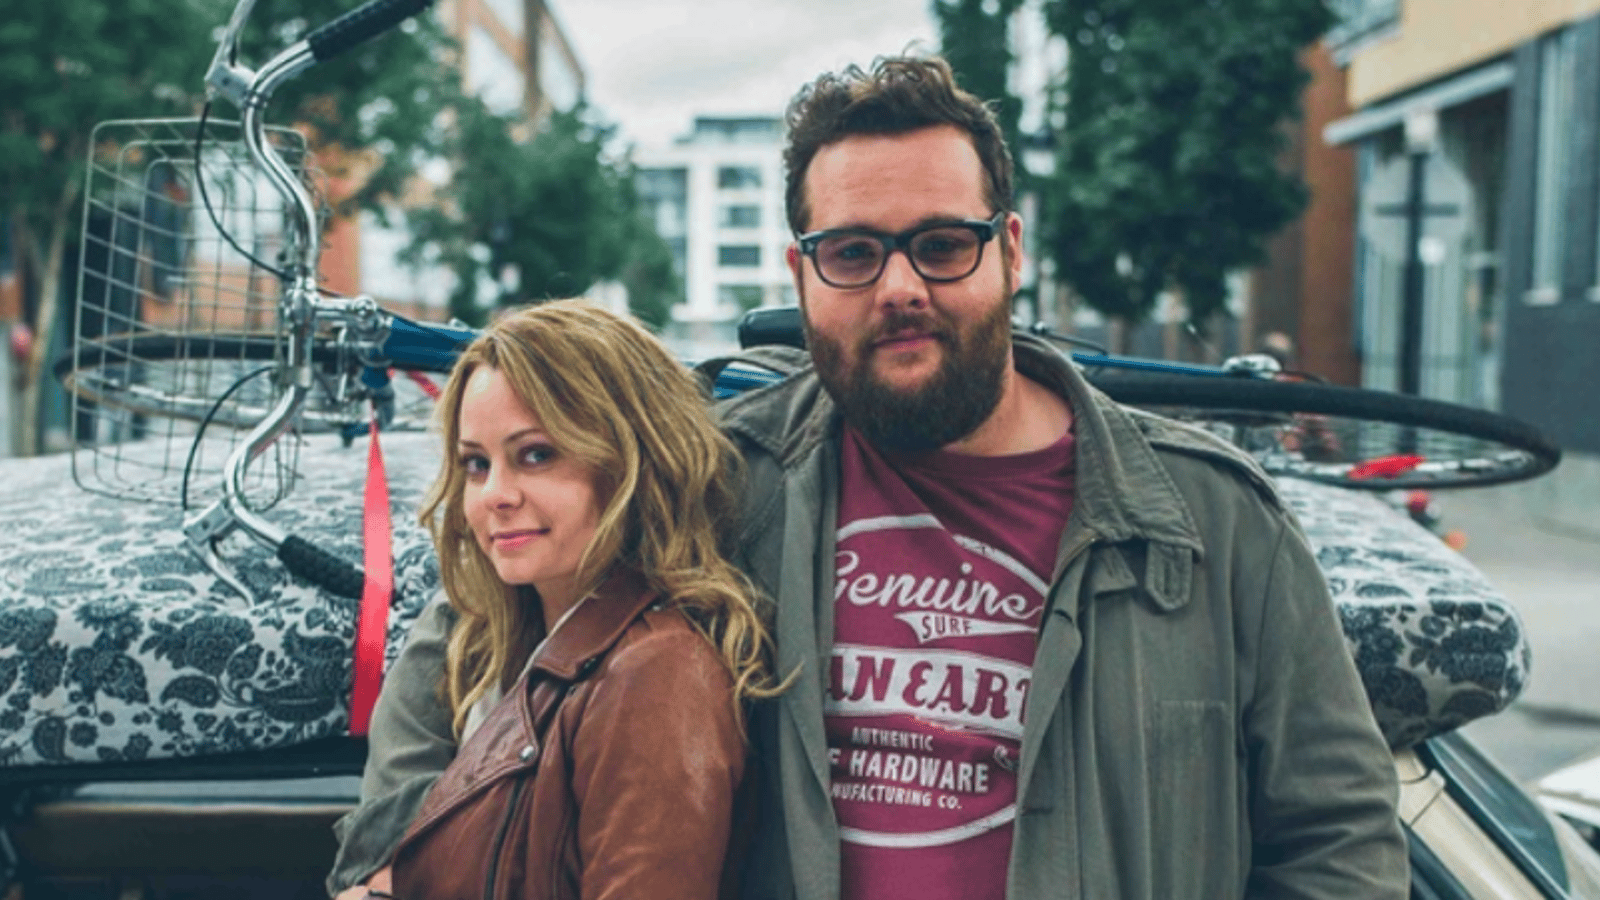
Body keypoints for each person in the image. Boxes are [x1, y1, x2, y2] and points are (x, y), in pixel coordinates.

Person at [330, 57, 1408, 899]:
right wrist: (383, 864)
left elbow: (1336, 840)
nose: (900, 286)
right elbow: (477, 623)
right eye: (852, 252)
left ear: (1010, 250)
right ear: (800, 274)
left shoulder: (1209, 522)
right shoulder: (719, 480)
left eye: (942, 243)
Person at [329, 299, 779, 899]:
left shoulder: (657, 674)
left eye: (536, 455)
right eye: (476, 464)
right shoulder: (483, 642)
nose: (495, 495)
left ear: (629, 463)